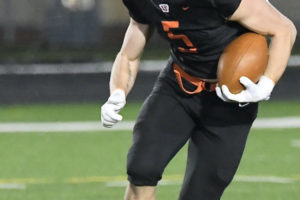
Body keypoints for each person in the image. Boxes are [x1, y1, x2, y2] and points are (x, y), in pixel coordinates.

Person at [101, 0, 297, 199]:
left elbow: (283, 29)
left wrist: (266, 84)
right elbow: (129, 54)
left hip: (231, 99)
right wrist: (117, 92)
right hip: (178, 85)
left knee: (202, 192)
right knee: (141, 167)